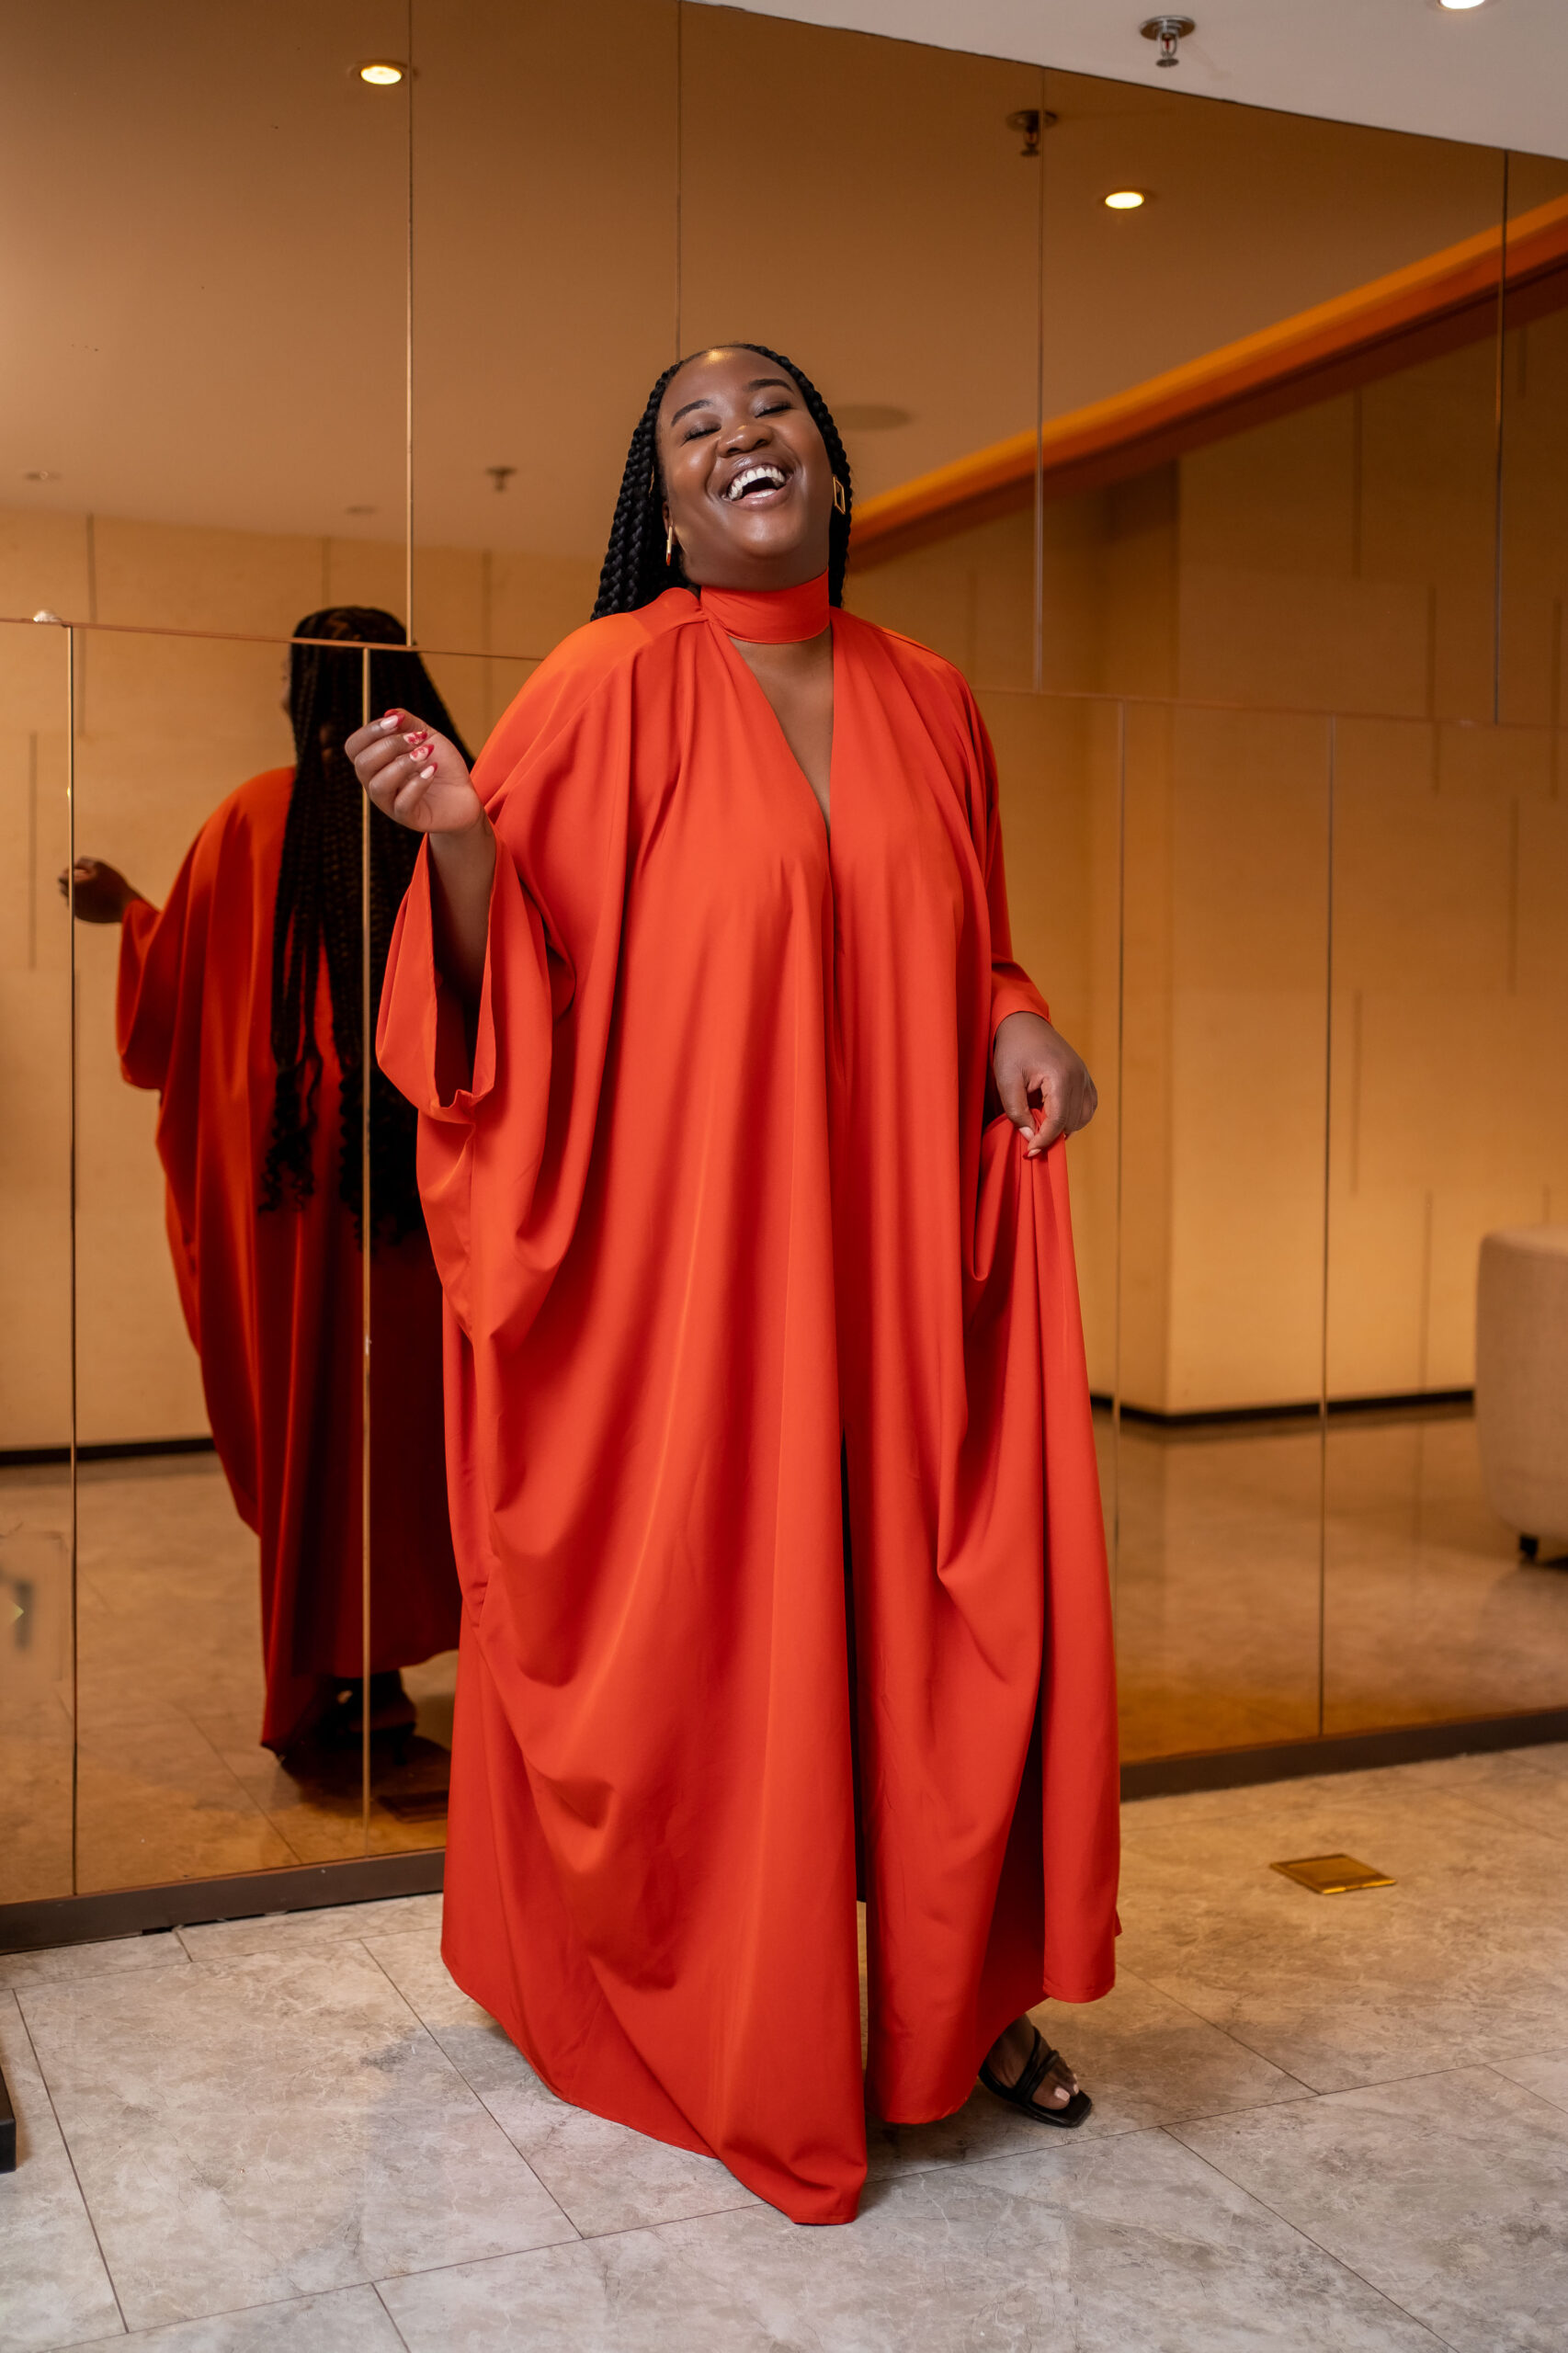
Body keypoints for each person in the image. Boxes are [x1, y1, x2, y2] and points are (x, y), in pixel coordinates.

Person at [354, 347, 1120, 2225]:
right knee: (731, 1643)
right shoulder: (606, 681)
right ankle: (711, 2005)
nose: (739, 438)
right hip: (694, 1284)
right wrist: (460, 839)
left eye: (770, 410)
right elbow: (508, 994)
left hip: (903, 1273)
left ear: (830, 470)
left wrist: (1018, 1021)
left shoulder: (930, 696)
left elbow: (961, 940)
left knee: (932, 1640)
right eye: (693, 429)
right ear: (667, 502)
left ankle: (953, 2007)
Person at [63, 608, 462, 1754]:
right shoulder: (452, 814)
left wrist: (127, 910)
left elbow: (179, 996)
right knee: (401, 1427)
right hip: (412, 1170)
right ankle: (383, 1677)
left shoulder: (251, 815)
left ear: (300, 695)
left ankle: (323, 1683)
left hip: (288, 1173)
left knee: (307, 1422)